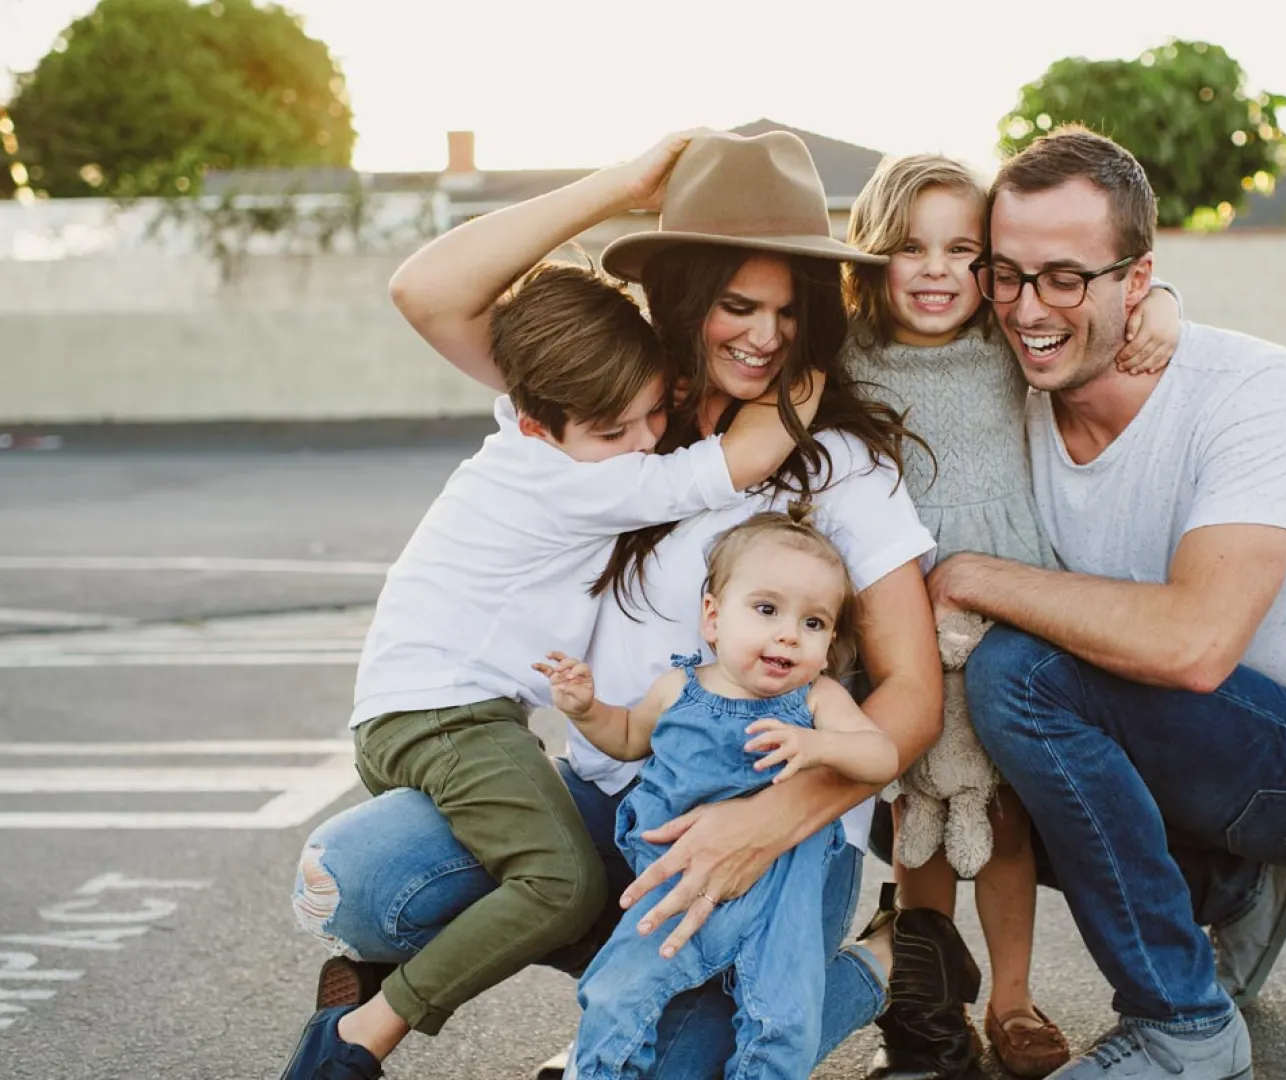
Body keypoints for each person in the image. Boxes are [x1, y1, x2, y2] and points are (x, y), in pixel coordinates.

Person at [287, 128, 963, 1080]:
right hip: (620, 803)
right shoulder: (615, 413)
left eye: (784, 309)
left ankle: (889, 963)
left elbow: (913, 698)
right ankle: (636, 981)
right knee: (359, 890)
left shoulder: (840, 463)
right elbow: (427, 291)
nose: (764, 336)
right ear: (687, 298)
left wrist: (765, 821)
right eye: (736, 305)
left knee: (692, 1069)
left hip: (777, 828)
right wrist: (620, 185)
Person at [926, 127, 1286, 1080]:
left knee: (1018, 675)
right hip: (1180, 737)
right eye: (1008, 273)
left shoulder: (1253, 391)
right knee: (918, 733)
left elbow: (1198, 645)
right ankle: (1230, 887)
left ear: (1137, 276)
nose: (1029, 309)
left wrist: (971, 576)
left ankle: (1182, 1026)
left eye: (1067, 277)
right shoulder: (1011, 386)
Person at [277, 259, 828, 1080]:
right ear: (539, 423)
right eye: (615, 434)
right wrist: (813, 369)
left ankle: (389, 981)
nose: (643, 442)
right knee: (560, 884)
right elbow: (734, 461)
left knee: (557, 870)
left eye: (654, 412)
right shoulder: (577, 481)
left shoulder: (527, 423)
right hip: (446, 719)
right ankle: (360, 1036)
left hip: (431, 712)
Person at [837, 153, 1179, 1080]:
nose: (939, 270)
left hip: (1005, 606)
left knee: (1005, 816)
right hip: (899, 608)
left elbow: (1102, 301)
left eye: (963, 249)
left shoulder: (1003, 340)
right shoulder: (845, 353)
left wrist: (1166, 302)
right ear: (873, 254)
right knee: (918, 814)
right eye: (912, 248)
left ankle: (1014, 999)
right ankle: (927, 1001)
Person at [538, 510, 898, 1080]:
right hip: (674, 884)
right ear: (712, 617)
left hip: (781, 889)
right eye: (766, 609)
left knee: (782, 1017)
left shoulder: (817, 701)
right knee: (616, 992)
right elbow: (629, 738)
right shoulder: (680, 687)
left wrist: (820, 746)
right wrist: (587, 709)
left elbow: (882, 757)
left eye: (813, 622)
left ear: (829, 645)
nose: (788, 633)